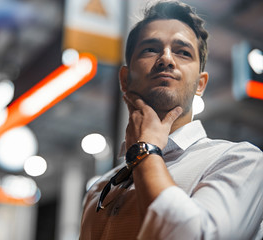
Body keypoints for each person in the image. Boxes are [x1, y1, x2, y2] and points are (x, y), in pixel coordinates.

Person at [79, 1, 263, 239]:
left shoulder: (240, 162)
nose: (166, 59)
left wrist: (144, 152)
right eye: (150, 49)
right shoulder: (99, 188)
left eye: (183, 52)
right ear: (125, 79)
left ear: (200, 84)